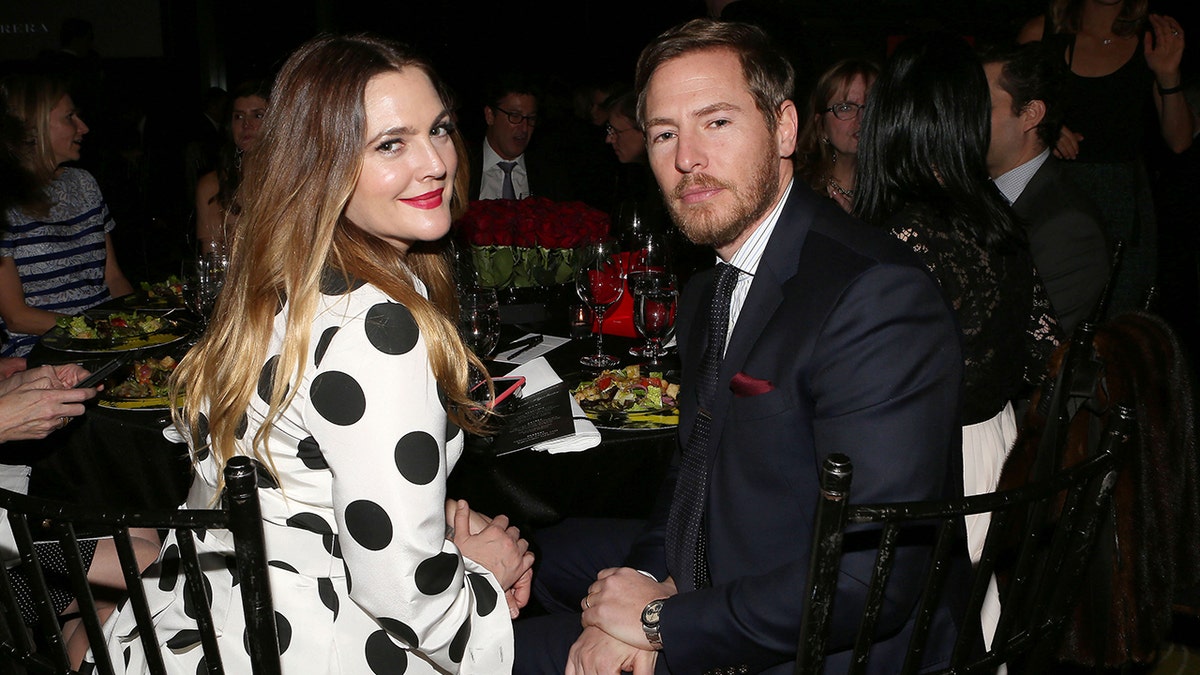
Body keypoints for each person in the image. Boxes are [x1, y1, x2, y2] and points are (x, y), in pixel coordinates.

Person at [515, 18, 969, 674]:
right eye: (666, 132)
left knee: (495, 656)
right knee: (530, 556)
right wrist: (644, 577)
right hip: (722, 567)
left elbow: (870, 581)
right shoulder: (711, 287)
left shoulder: (876, 296)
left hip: (814, 642)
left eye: (717, 122)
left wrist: (656, 622)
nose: (686, 158)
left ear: (785, 129)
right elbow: (690, 467)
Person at [83, 33, 534, 674]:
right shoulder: (380, 328)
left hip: (216, 622)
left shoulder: (278, 281)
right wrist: (484, 579)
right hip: (315, 643)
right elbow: (405, 601)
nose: (436, 161)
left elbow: (280, 490)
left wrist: (438, 538)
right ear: (322, 166)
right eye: (390, 144)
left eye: (439, 129)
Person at [854, 32, 1063, 651]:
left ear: (893, 122)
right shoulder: (994, 218)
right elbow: (1040, 347)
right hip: (996, 455)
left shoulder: (902, 237)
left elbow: (864, 389)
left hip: (929, 472)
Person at [1018, 0, 1194, 316]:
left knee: (1116, 327)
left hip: (1122, 202)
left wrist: (1169, 74)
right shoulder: (1041, 33)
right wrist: (1044, 125)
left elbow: (1179, 141)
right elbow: (1002, 120)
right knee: (1047, 313)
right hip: (1053, 196)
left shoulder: (1151, 38)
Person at [0, 72, 133, 358]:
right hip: (40, 354)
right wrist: (98, 330)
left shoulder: (84, 183)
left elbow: (114, 279)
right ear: (32, 127)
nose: (83, 127)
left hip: (105, 340)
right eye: (69, 117)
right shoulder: (4, 200)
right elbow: (16, 316)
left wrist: (137, 331)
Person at [982, 42, 1110, 335]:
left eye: (981, 106)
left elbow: (1025, 348)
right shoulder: (978, 193)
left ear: (1030, 114)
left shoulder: (1067, 226)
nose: (963, 119)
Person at [468, 72, 573, 201]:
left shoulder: (550, 172)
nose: (524, 128)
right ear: (490, 115)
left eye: (531, 118)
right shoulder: (462, 167)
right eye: (515, 116)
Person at [795, 57, 880, 213]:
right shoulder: (800, 192)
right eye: (846, 108)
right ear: (821, 126)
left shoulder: (896, 192)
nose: (862, 118)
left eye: (870, 107)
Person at [194, 79, 270, 252]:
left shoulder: (296, 180)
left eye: (257, 115)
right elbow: (212, 261)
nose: (246, 124)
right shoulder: (213, 186)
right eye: (238, 116)